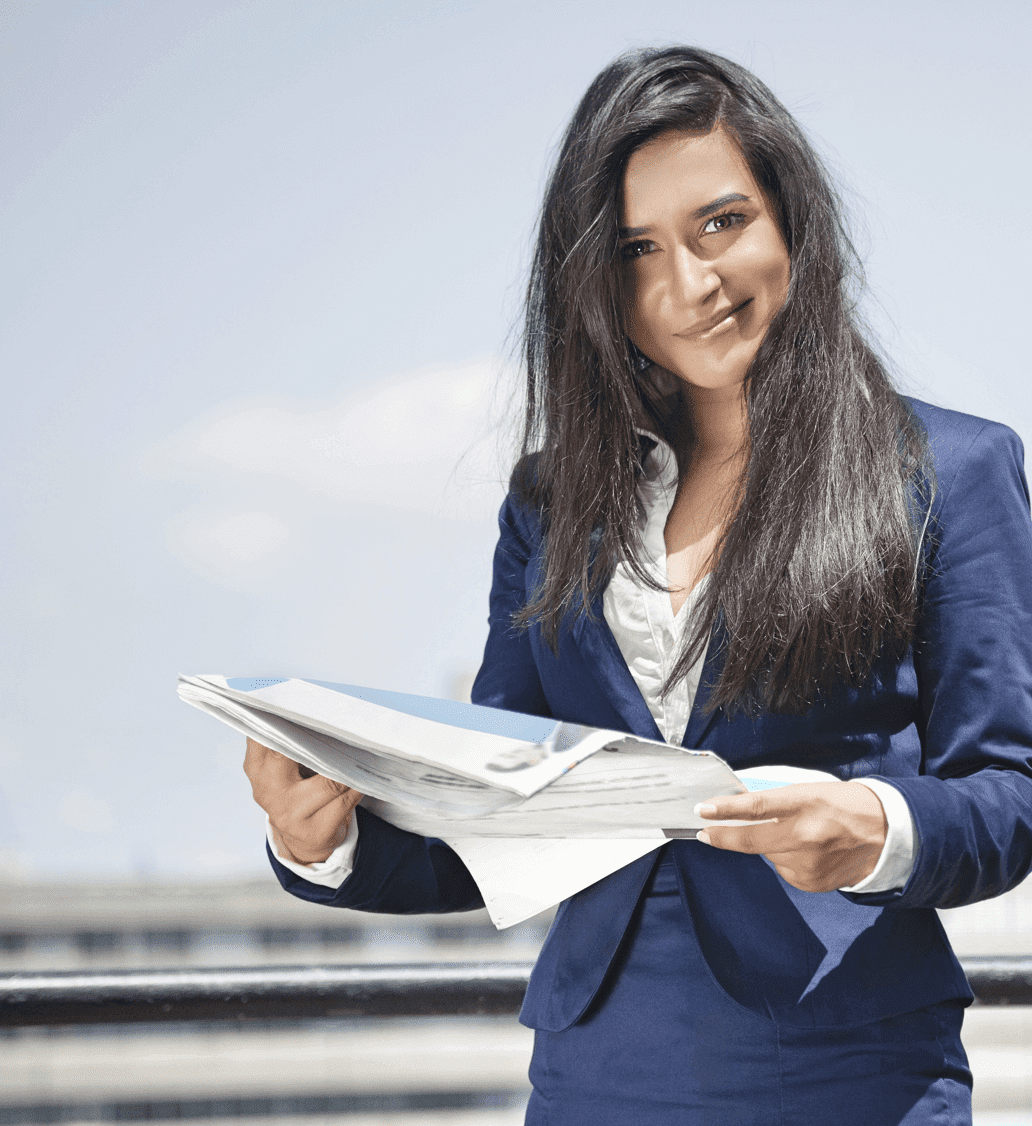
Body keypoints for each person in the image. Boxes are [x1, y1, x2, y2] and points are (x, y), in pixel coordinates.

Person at [244, 46, 1032, 1125]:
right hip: (596, 1080)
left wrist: (876, 825)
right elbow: (505, 819)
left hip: (850, 1076)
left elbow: (1010, 792)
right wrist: (320, 837)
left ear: (789, 217)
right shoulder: (549, 503)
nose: (688, 286)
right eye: (636, 250)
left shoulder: (954, 471)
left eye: (721, 223)